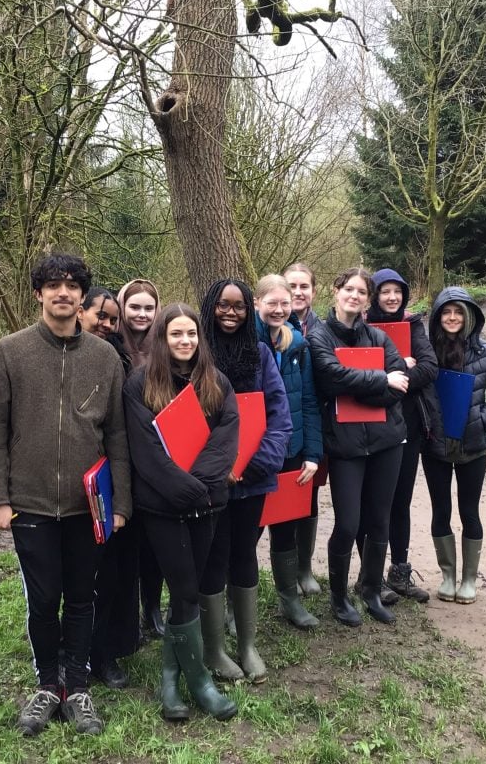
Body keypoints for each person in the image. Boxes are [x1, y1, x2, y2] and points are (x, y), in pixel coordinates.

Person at [0, 254, 132, 737]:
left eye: (71, 285)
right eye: (53, 285)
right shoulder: (9, 352)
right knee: (44, 600)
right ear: (38, 293)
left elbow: (117, 436)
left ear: (82, 296)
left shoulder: (105, 357)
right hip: (30, 502)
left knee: (83, 596)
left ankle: (79, 688)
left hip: (90, 505)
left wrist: (121, 504)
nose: (62, 292)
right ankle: (48, 685)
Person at [123, 303, 240, 722]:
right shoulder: (139, 385)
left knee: (189, 591)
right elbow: (147, 453)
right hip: (163, 508)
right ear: (162, 338)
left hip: (207, 505)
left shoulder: (217, 382)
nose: (185, 341)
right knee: (185, 587)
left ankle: (170, 679)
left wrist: (202, 488)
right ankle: (199, 682)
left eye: (191, 333)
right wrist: (185, 489)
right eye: (176, 334)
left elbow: (226, 439)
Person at [198, 279, 291, 683]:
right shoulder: (197, 356)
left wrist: (254, 465)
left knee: (244, 555)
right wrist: (214, 470)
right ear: (210, 308)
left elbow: (279, 417)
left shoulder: (261, 355)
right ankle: (215, 649)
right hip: (210, 482)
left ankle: (247, 645)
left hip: (251, 479)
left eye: (238, 306)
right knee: (213, 557)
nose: (231, 313)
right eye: (223, 305)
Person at [307, 267, 408, 626]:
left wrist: (365, 387)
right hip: (346, 445)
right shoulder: (317, 336)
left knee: (379, 520)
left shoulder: (380, 338)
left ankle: (370, 591)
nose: (354, 296)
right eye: (348, 289)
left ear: (368, 300)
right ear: (335, 291)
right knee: (348, 523)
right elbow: (331, 378)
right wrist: (380, 380)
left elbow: (402, 382)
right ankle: (338, 597)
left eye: (361, 292)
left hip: (387, 441)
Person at [354, 269, 439, 604]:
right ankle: (369, 576)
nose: (391, 297)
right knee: (370, 503)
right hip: (370, 426)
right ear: (374, 294)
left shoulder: (413, 324)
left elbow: (429, 368)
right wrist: (387, 377)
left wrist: (394, 376)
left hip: (410, 426)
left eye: (397, 292)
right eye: (385, 291)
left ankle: (400, 572)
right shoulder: (360, 326)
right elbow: (355, 372)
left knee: (400, 501)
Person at [423, 286, 486, 604]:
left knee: (469, 510)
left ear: (469, 316)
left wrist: (483, 420)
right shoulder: (427, 350)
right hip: (435, 447)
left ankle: (469, 580)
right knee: (441, 509)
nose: (452, 317)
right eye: (446, 312)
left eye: (458, 312)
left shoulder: (485, 352)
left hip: (473, 446)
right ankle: (447, 576)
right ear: (437, 316)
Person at [78, 286, 140, 689]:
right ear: (81, 312)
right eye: (100, 315)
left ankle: (109, 650)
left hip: (116, 476)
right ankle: (81, 651)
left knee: (116, 571)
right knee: (85, 574)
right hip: (75, 478)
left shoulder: (120, 360)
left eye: (112, 319)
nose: (106, 324)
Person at [254, 274, 322, 629]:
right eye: (272, 303)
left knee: (285, 528)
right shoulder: (242, 342)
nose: (279, 309)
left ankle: (289, 600)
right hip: (253, 453)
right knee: (246, 533)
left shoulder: (299, 346)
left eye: (284, 303)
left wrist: (312, 452)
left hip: (291, 450)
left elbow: (309, 401)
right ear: (257, 304)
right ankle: (237, 608)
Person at [116, 279, 167, 639]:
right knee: (125, 544)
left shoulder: (164, 347)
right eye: (135, 307)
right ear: (122, 308)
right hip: (120, 454)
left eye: (149, 308)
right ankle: (126, 611)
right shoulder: (110, 343)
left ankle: (152, 608)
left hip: (157, 455)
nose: (142, 315)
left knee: (154, 544)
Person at [283, 262, 322, 595]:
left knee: (308, 497)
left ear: (313, 290)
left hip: (316, 425)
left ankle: (304, 568)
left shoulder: (324, 329)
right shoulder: (270, 326)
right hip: (282, 431)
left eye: (303, 286)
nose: (297, 292)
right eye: (291, 286)